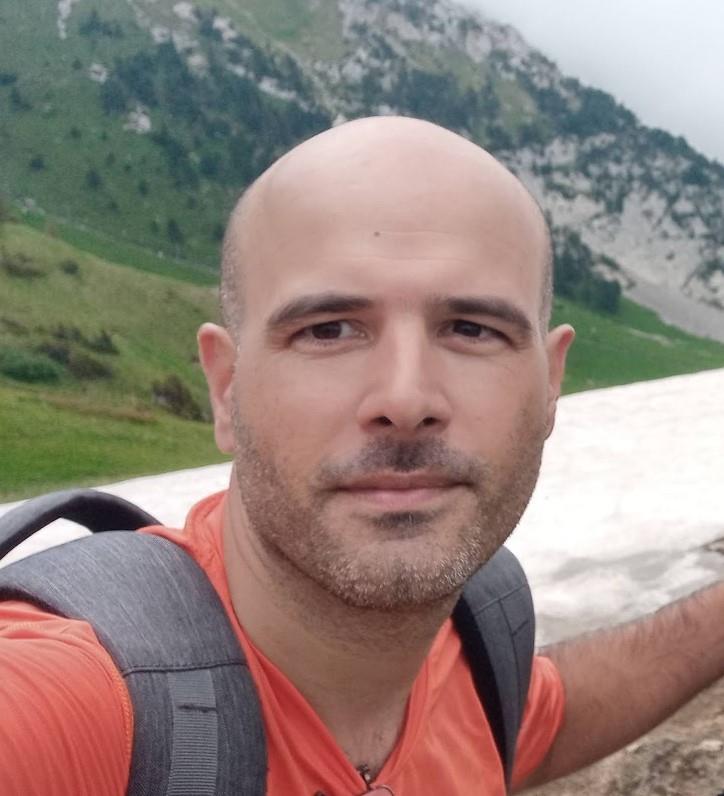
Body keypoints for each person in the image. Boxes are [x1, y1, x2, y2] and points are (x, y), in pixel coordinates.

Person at [0, 116, 722, 796]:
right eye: (328, 330)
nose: (405, 399)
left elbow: (549, 717)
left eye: (471, 329)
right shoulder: (73, 702)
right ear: (226, 388)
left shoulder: (477, 670)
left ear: (550, 382)